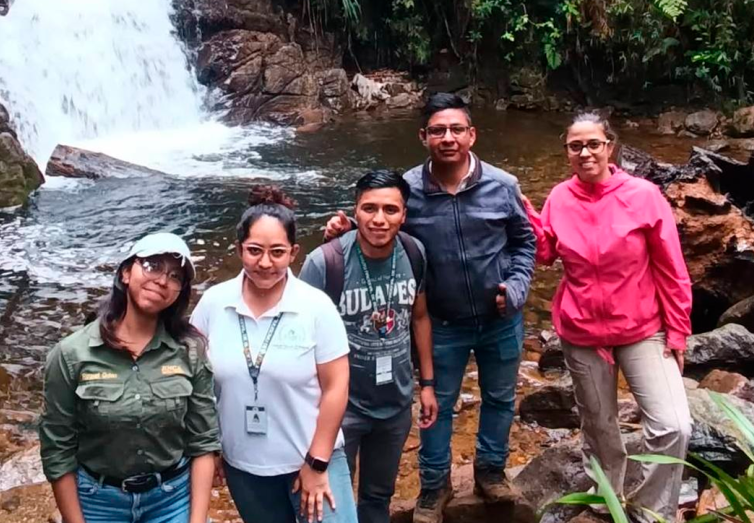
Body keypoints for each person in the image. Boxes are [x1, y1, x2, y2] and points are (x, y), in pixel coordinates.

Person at [325, 93, 536, 523]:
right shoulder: (408, 191)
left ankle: (491, 470)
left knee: (499, 398)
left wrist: (516, 286)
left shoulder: (503, 185)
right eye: (438, 130)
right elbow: (381, 234)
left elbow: (524, 242)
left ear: (472, 134)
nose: (448, 138)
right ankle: (434, 483)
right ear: (423, 137)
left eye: (457, 129)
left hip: (500, 317)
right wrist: (343, 232)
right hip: (440, 320)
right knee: (435, 405)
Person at [522, 112, 692, 522]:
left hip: (642, 327)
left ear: (610, 146)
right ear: (567, 152)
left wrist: (678, 332)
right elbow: (547, 252)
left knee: (674, 425)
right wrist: (526, 213)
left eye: (593, 144)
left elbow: (671, 267)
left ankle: (652, 511)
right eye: (575, 146)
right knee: (599, 425)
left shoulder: (644, 194)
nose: (585, 152)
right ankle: (607, 497)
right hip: (582, 330)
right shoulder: (561, 196)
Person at [191, 185, 357, 523]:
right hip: (244, 465)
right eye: (254, 250)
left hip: (310, 459)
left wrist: (317, 463)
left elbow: (337, 387)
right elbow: (196, 382)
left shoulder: (315, 306)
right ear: (239, 249)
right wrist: (210, 446)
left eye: (277, 252)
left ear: (294, 252)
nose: (265, 263)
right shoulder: (213, 303)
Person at [39, 232, 219, 523]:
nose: (162, 280)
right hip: (97, 502)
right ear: (125, 272)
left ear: (179, 292)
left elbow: (204, 441)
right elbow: (57, 450)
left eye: (175, 276)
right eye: (152, 266)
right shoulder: (71, 354)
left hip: (171, 499)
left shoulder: (190, 351)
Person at [300, 169, 439, 523]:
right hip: (339, 408)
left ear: (404, 215)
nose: (379, 219)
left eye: (390, 210)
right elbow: (298, 340)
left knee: (379, 496)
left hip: (395, 402)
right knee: (329, 503)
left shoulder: (414, 252)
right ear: (354, 211)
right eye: (369, 208)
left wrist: (428, 385)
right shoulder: (325, 263)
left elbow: (420, 318)